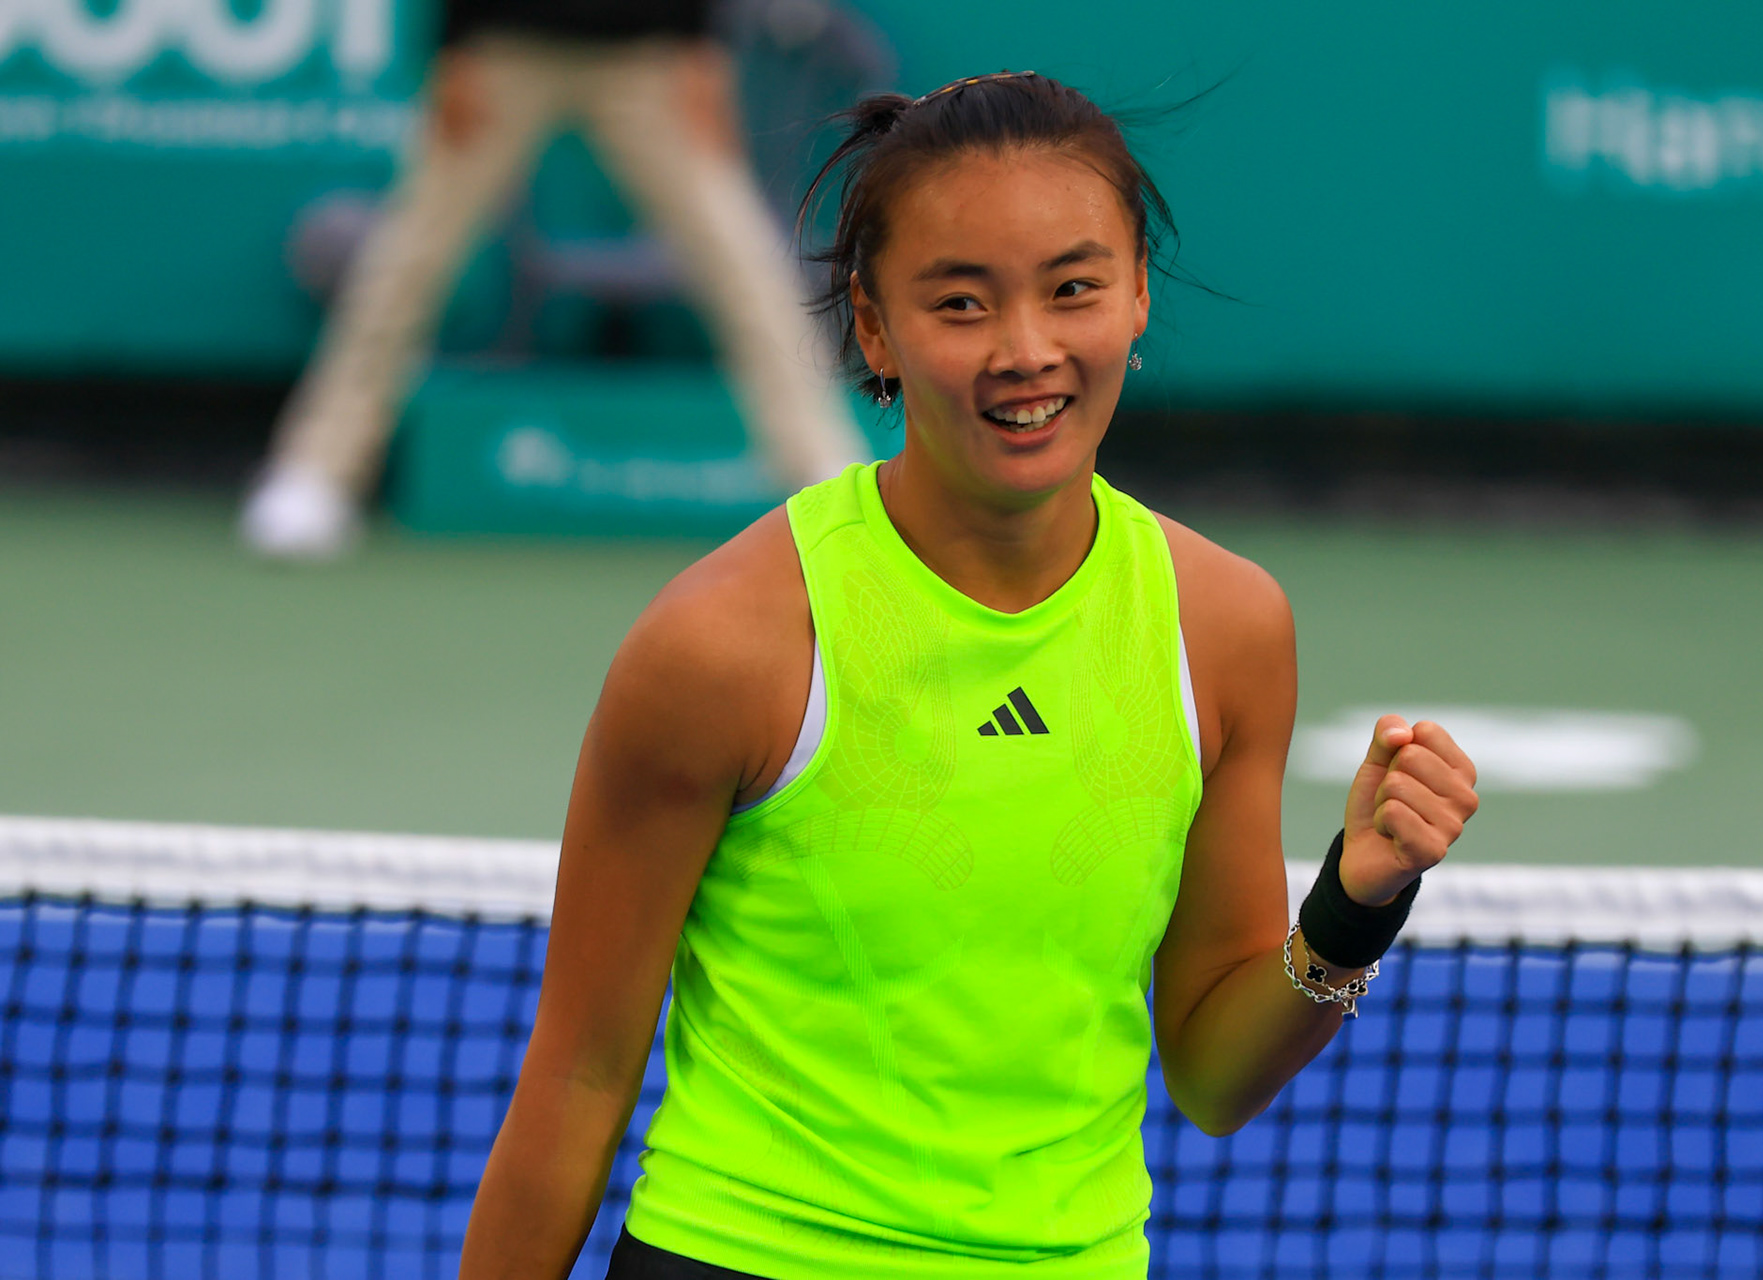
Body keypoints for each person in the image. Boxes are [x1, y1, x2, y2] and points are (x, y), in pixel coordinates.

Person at [459, 72, 1480, 1280]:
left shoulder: (1226, 627)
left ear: (1139, 293)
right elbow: (578, 1077)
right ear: (873, 325)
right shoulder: (725, 645)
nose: (1026, 350)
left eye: (1073, 288)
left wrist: (1354, 907)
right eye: (961, 303)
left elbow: (1214, 1074)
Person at [239, 0, 867, 559]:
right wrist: (454, 47)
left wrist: (700, 46)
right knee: (408, 262)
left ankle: (826, 482)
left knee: (743, 266)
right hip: (505, 47)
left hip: (648, 55)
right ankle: (315, 473)